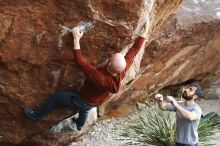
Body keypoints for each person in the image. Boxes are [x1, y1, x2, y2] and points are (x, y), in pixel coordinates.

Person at [24, 19, 150, 132]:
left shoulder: (99, 78)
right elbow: (133, 52)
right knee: (85, 110)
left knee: (55, 98)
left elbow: (80, 62)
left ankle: (36, 116)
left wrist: (76, 39)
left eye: (111, 58)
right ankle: (79, 125)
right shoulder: (121, 71)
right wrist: (145, 30)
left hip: (81, 99)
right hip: (95, 101)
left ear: (110, 63)